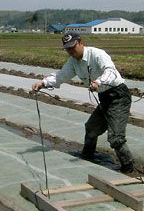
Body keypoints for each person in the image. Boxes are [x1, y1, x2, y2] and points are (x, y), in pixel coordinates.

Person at [32, 32, 134, 173]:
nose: (71, 52)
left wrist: (99, 81)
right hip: (104, 97)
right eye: (67, 49)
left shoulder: (97, 54)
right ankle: (87, 156)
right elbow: (61, 76)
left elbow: (111, 72)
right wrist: (43, 83)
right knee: (91, 128)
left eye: (73, 47)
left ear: (80, 43)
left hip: (118, 96)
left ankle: (128, 168)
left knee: (116, 138)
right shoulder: (73, 62)